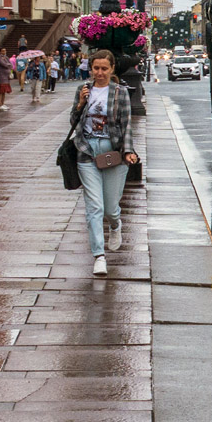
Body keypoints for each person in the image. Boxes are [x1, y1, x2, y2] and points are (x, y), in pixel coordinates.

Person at [70, 50, 138, 277]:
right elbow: (73, 120)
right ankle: (99, 256)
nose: (99, 73)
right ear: (91, 69)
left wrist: (128, 151)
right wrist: (80, 104)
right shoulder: (83, 90)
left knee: (110, 208)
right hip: (86, 151)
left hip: (113, 153)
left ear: (111, 69)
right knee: (95, 207)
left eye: (104, 69)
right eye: (95, 68)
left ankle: (116, 224)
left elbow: (126, 124)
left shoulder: (120, 93)